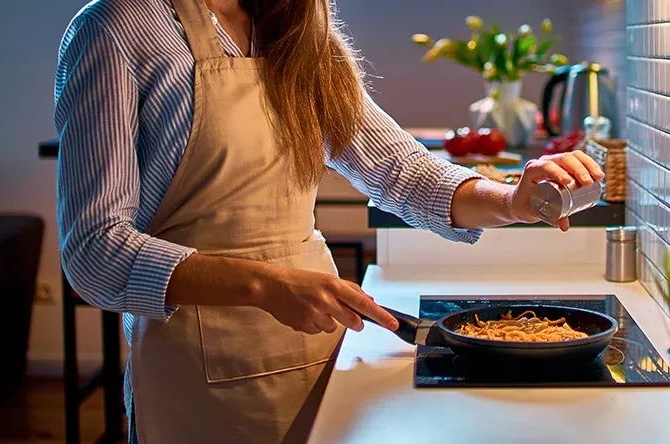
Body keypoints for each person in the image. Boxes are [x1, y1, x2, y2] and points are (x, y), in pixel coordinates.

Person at [53, 0, 604, 442]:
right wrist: (265, 284)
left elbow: (404, 172)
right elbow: (94, 253)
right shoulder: (118, 28)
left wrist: (513, 199)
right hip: (202, 377)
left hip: (318, 354)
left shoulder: (299, 31)